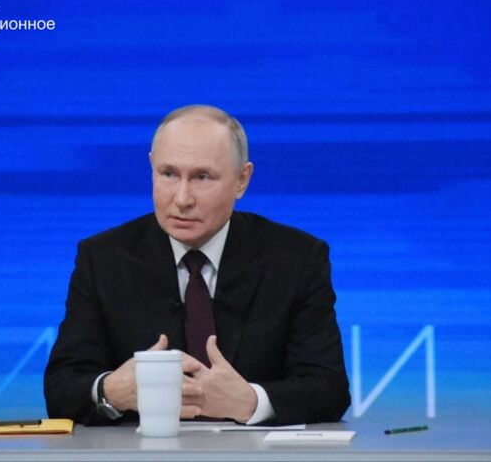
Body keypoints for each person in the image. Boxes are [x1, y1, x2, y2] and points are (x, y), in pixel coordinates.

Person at [44, 105, 350, 426]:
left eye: (202, 177)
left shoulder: (296, 259)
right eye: (168, 174)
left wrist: (249, 401)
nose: (182, 199)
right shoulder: (103, 259)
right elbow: (61, 389)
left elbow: (329, 389)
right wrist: (111, 391)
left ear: (242, 180)